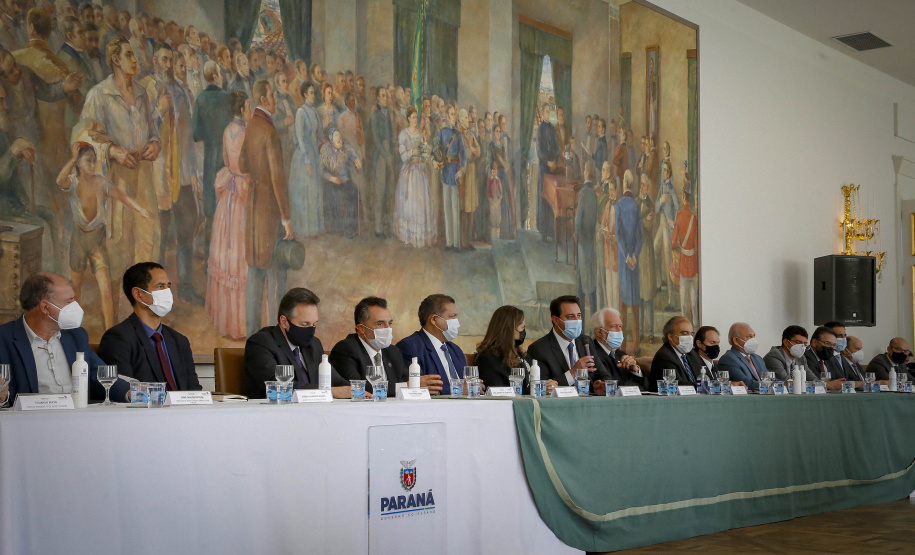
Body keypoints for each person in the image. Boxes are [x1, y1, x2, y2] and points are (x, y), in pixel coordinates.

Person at [78, 36, 160, 292]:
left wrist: (155, 143)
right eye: (129, 55)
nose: (135, 61)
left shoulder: (142, 93)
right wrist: (112, 150)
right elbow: (84, 137)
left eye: (135, 55)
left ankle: (144, 307)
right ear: (115, 60)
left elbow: (153, 129)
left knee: (148, 236)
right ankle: (118, 314)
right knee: (119, 240)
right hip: (116, 175)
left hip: (143, 172)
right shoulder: (99, 94)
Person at [55, 141, 151, 329]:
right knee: (75, 290)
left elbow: (122, 196)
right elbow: (59, 181)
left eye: (94, 161)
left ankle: (110, 332)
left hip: (97, 240)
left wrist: (140, 209)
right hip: (79, 240)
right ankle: (73, 331)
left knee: (106, 290)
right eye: (88, 161)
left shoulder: (101, 182)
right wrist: (72, 158)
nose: (92, 165)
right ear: (78, 164)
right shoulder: (73, 182)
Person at [0, 272, 130, 405]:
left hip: (76, 420)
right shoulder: (4, 339)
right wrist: (2, 398)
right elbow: (5, 396)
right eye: (69, 301)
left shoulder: (76, 335)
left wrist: (130, 392)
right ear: (45, 307)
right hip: (29, 422)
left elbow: (96, 373)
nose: (76, 306)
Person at [242, 79, 294, 336]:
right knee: (276, 275)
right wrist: (286, 219)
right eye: (272, 95)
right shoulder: (270, 133)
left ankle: (252, 335)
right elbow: (278, 179)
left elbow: (242, 164)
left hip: (252, 211)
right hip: (270, 213)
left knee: (254, 274)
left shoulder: (251, 126)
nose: (275, 99)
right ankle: (278, 336)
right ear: (264, 99)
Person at [97, 262, 200, 391]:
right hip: (147, 410)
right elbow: (122, 391)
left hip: (185, 411)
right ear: (138, 294)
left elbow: (194, 391)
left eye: (168, 286)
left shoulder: (179, 341)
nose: (167, 292)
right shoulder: (118, 338)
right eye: (160, 286)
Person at [243, 287, 352, 399]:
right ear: (284, 321)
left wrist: (356, 390)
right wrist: (328, 391)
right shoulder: (261, 343)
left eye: (314, 324)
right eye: (304, 324)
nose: (311, 330)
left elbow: (338, 382)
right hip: (273, 412)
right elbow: (276, 386)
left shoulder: (313, 344)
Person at [206, 90, 250, 339]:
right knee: (239, 255)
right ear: (242, 109)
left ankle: (227, 321)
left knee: (228, 253)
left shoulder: (227, 131)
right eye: (248, 106)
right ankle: (240, 324)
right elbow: (247, 166)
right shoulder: (246, 133)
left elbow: (226, 159)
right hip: (241, 195)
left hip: (229, 199)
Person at [527, 295, 609, 393]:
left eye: (578, 315)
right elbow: (542, 389)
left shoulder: (585, 341)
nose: (577, 321)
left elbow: (604, 374)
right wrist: (572, 373)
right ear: (555, 320)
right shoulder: (539, 349)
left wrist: (599, 386)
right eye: (570, 317)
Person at [328, 296, 407, 395]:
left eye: (390, 323)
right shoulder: (346, 349)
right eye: (380, 324)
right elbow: (357, 387)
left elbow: (405, 380)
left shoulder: (393, 351)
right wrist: (405, 386)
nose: (388, 329)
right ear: (361, 329)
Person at [192, 60, 231, 258]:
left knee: (210, 210)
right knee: (228, 206)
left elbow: (196, 134)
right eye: (221, 73)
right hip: (226, 157)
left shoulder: (200, 99)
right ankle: (227, 258)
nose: (223, 76)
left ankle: (210, 260)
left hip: (209, 158)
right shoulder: (227, 98)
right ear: (216, 75)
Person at [394, 294, 463, 395]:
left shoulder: (455, 350)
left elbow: (467, 385)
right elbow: (418, 390)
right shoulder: (410, 347)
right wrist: (458, 390)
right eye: (452, 317)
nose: (457, 322)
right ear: (434, 319)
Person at [393, 105, 436, 247]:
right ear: (408, 118)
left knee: (421, 202)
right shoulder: (404, 135)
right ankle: (410, 236)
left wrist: (423, 157)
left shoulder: (421, 134)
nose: (414, 120)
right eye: (412, 117)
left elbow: (425, 153)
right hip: (409, 172)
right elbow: (403, 155)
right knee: (410, 202)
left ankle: (420, 235)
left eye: (415, 117)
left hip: (420, 171)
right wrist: (412, 155)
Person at [289, 80, 323, 237]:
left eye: (314, 93)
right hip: (303, 156)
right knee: (306, 190)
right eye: (310, 93)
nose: (313, 96)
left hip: (314, 153)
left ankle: (314, 228)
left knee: (314, 190)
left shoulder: (315, 112)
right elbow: (300, 138)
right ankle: (304, 230)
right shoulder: (300, 112)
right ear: (304, 95)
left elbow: (318, 135)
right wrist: (307, 161)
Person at [616, 169, 642, 351]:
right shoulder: (636, 205)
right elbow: (641, 236)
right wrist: (634, 255)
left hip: (624, 261)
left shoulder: (619, 205)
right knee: (635, 303)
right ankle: (638, 344)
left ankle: (623, 345)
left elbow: (618, 234)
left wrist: (626, 256)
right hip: (634, 260)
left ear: (624, 184)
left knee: (623, 303)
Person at [320, 127, 362, 238]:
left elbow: (352, 153)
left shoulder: (345, 145)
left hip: (345, 180)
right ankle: (342, 229)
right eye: (337, 140)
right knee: (340, 197)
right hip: (332, 182)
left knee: (354, 192)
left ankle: (352, 228)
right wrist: (331, 178)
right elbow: (321, 171)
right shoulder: (325, 150)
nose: (340, 142)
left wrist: (357, 160)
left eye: (341, 139)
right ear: (331, 141)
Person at [590, 307, 647, 389]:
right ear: (599, 332)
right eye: (613, 326)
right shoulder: (592, 354)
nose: (619, 330)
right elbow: (610, 386)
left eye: (620, 326)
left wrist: (635, 371)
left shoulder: (621, 354)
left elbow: (645, 387)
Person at [476, 305, 530, 389]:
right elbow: (497, 390)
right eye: (522, 327)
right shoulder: (488, 358)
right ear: (510, 329)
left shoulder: (519, 354)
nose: (523, 331)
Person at [436, 104, 466, 250]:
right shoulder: (442, 132)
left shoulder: (459, 135)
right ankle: (449, 242)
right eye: (452, 115)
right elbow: (436, 150)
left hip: (454, 172)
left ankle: (456, 243)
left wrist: (461, 170)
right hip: (445, 171)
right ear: (447, 117)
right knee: (447, 209)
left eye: (455, 114)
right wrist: (435, 161)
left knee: (455, 209)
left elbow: (464, 156)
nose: (454, 117)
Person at [671, 188, 698, 324]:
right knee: (694, 302)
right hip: (693, 263)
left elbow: (673, 242)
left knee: (684, 303)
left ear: (683, 198)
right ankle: (696, 325)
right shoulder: (694, 217)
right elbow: (697, 245)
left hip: (683, 264)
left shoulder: (680, 216)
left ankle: (685, 328)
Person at [648, 316, 696, 391]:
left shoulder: (691, 354)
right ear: (670, 336)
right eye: (685, 333)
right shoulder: (664, 356)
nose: (689, 337)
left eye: (691, 334)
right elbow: (675, 384)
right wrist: (701, 385)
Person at [574, 161, 598, 314]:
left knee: (581, 284)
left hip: (583, 241)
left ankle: (580, 325)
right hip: (592, 242)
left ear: (586, 173)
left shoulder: (583, 193)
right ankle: (594, 320)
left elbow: (578, 219)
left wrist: (576, 233)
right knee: (592, 283)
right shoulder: (594, 194)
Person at [654, 161, 678, 310]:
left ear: (669, 173)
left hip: (667, 228)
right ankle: (658, 281)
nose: (663, 173)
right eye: (662, 171)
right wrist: (660, 201)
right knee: (655, 249)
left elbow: (677, 206)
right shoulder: (661, 188)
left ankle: (671, 300)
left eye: (665, 171)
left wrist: (673, 222)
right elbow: (656, 206)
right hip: (661, 223)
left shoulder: (671, 189)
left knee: (668, 259)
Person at [370, 86, 392, 237]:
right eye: (383, 96)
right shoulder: (374, 113)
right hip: (380, 155)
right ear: (378, 98)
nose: (386, 98)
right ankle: (378, 228)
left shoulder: (387, 113)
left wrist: (391, 152)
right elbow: (376, 138)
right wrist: (385, 154)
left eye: (386, 96)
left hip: (389, 152)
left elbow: (390, 134)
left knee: (388, 190)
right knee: (380, 190)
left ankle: (386, 225)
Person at [636, 173, 656, 342]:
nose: (642, 187)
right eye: (641, 184)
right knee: (640, 295)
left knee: (648, 295)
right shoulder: (636, 201)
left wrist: (640, 220)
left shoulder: (650, 204)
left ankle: (649, 332)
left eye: (644, 184)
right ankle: (640, 331)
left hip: (647, 252)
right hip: (637, 251)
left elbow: (647, 224)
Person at [718, 322, 766, 390]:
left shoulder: (758, 358)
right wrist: (771, 385)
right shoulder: (728, 359)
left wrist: (783, 384)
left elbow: (769, 378)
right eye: (749, 337)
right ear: (736, 340)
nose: (753, 340)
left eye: (753, 336)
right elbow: (746, 383)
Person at [536, 104, 560, 240]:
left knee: (552, 199)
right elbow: (539, 151)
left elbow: (557, 148)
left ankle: (551, 231)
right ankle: (544, 232)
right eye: (545, 111)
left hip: (552, 169)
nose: (547, 114)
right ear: (543, 113)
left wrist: (555, 160)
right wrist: (547, 162)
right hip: (543, 168)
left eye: (549, 112)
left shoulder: (552, 128)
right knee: (544, 199)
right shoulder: (540, 129)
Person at [458, 107, 480, 249]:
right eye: (466, 118)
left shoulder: (470, 135)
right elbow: (465, 153)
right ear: (460, 120)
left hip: (471, 174)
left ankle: (469, 241)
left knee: (470, 208)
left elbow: (478, 150)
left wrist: (473, 151)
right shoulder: (459, 135)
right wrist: (472, 152)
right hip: (464, 174)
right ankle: (462, 241)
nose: (468, 120)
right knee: (463, 209)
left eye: (468, 118)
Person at [487, 161, 502, 240]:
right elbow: (489, 192)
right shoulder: (490, 180)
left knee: (498, 220)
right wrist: (493, 203)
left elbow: (500, 192)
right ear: (491, 171)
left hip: (497, 202)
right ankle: (494, 239)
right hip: (492, 202)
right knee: (493, 220)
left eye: (495, 172)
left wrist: (498, 202)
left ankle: (498, 238)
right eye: (493, 172)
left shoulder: (498, 180)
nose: (494, 173)